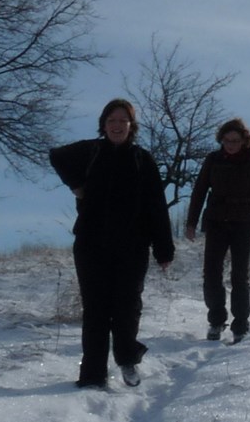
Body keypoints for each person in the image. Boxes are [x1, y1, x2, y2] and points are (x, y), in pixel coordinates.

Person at [49, 99, 175, 389]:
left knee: (127, 306)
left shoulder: (142, 159)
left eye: (122, 121)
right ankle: (93, 376)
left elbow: (156, 206)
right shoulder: (91, 151)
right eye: (111, 121)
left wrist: (163, 248)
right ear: (103, 125)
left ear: (131, 126)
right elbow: (56, 155)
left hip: (133, 245)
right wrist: (75, 185)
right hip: (91, 244)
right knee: (95, 310)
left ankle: (127, 358)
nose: (117, 126)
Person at [185, 118, 250, 344]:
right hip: (216, 221)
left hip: (243, 222)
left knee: (240, 274)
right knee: (211, 273)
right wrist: (191, 223)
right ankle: (216, 320)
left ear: (244, 141)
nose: (231, 145)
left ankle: (241, 324)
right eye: (226, 141)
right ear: (221, 140)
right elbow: (199, 191)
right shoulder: (213, 159)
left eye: (235, 141)